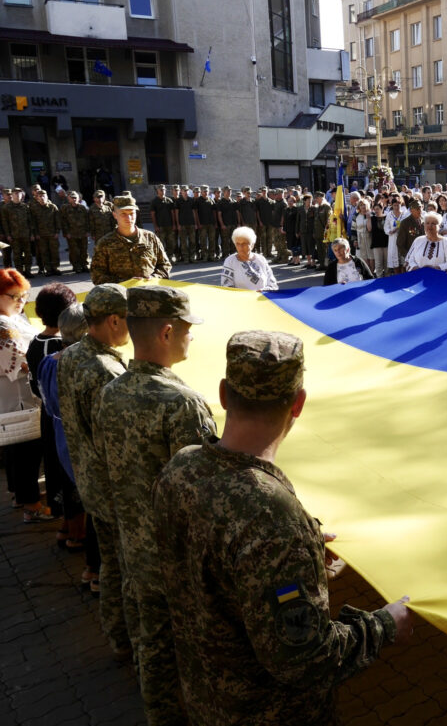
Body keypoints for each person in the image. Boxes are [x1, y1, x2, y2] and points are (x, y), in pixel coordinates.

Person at [152, 330, 413, 725]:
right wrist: (383, 625)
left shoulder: (181, 468)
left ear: (223, 394)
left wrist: (299, 562)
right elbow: (305, 661)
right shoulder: (273, 517)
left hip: (206, 701)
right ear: (299, 404)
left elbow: (208, 575)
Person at [94, 285, 218, 725]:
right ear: (167, 332)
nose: (190, 338)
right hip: (176, 556)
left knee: (153, 642)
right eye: (186, 330)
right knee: (189, 650)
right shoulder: (180, 403)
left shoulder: (112, 391)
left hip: (135, 545)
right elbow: (204, 491)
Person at [57, 283, 132, 657]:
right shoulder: (105, 370)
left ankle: (117, 635)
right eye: (129, 321)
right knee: (126, 570)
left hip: (88, 479)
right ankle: (129, 639)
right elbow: (118, 441)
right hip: (114, 487)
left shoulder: (71, 355)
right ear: (115, 320)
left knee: (110, 565)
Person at [25, 282, 77, 534]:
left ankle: (65, 525)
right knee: (66, 473)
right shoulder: (58, 347)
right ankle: (72, 530)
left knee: (56, 469)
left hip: (48, 414)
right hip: (60, 418)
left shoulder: (36, 341)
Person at [0, 269, 49, 521]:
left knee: (17, 450)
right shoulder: (2, 324)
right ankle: (32, 506)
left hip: (17, 398)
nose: (22, 301)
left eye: (25, 296)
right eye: (15, 296)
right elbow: (20, 363)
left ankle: (20, 496)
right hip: (18, 397)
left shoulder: (12, 317)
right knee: (26, 450)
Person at [91, 194, 172, 285]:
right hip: (120, 295)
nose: (129, 218)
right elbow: (97, 275)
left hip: (150, 291)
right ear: (114, 215)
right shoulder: (105, 243)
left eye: (131, 213)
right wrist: (125, 283)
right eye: (123, 214)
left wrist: (154, 277)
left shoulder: (150, 238)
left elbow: (165, 265)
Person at [222, 226, 279, 292]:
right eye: (237, 244)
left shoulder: (261, 259)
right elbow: (226, 285)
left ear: (252, 245)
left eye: (244, 243)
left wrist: (263, 290)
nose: (240, 247)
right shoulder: (230, 261)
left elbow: (272, 283)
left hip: (262, 298)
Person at [396, 199, 425, 267]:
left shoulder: (424, 221)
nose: (419, 210)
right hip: (411, 258)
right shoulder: (405, 223)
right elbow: (400, 243)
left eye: (420, 208)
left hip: (423, 256)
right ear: (411, 210)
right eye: (417, 208)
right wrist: (408, 256)